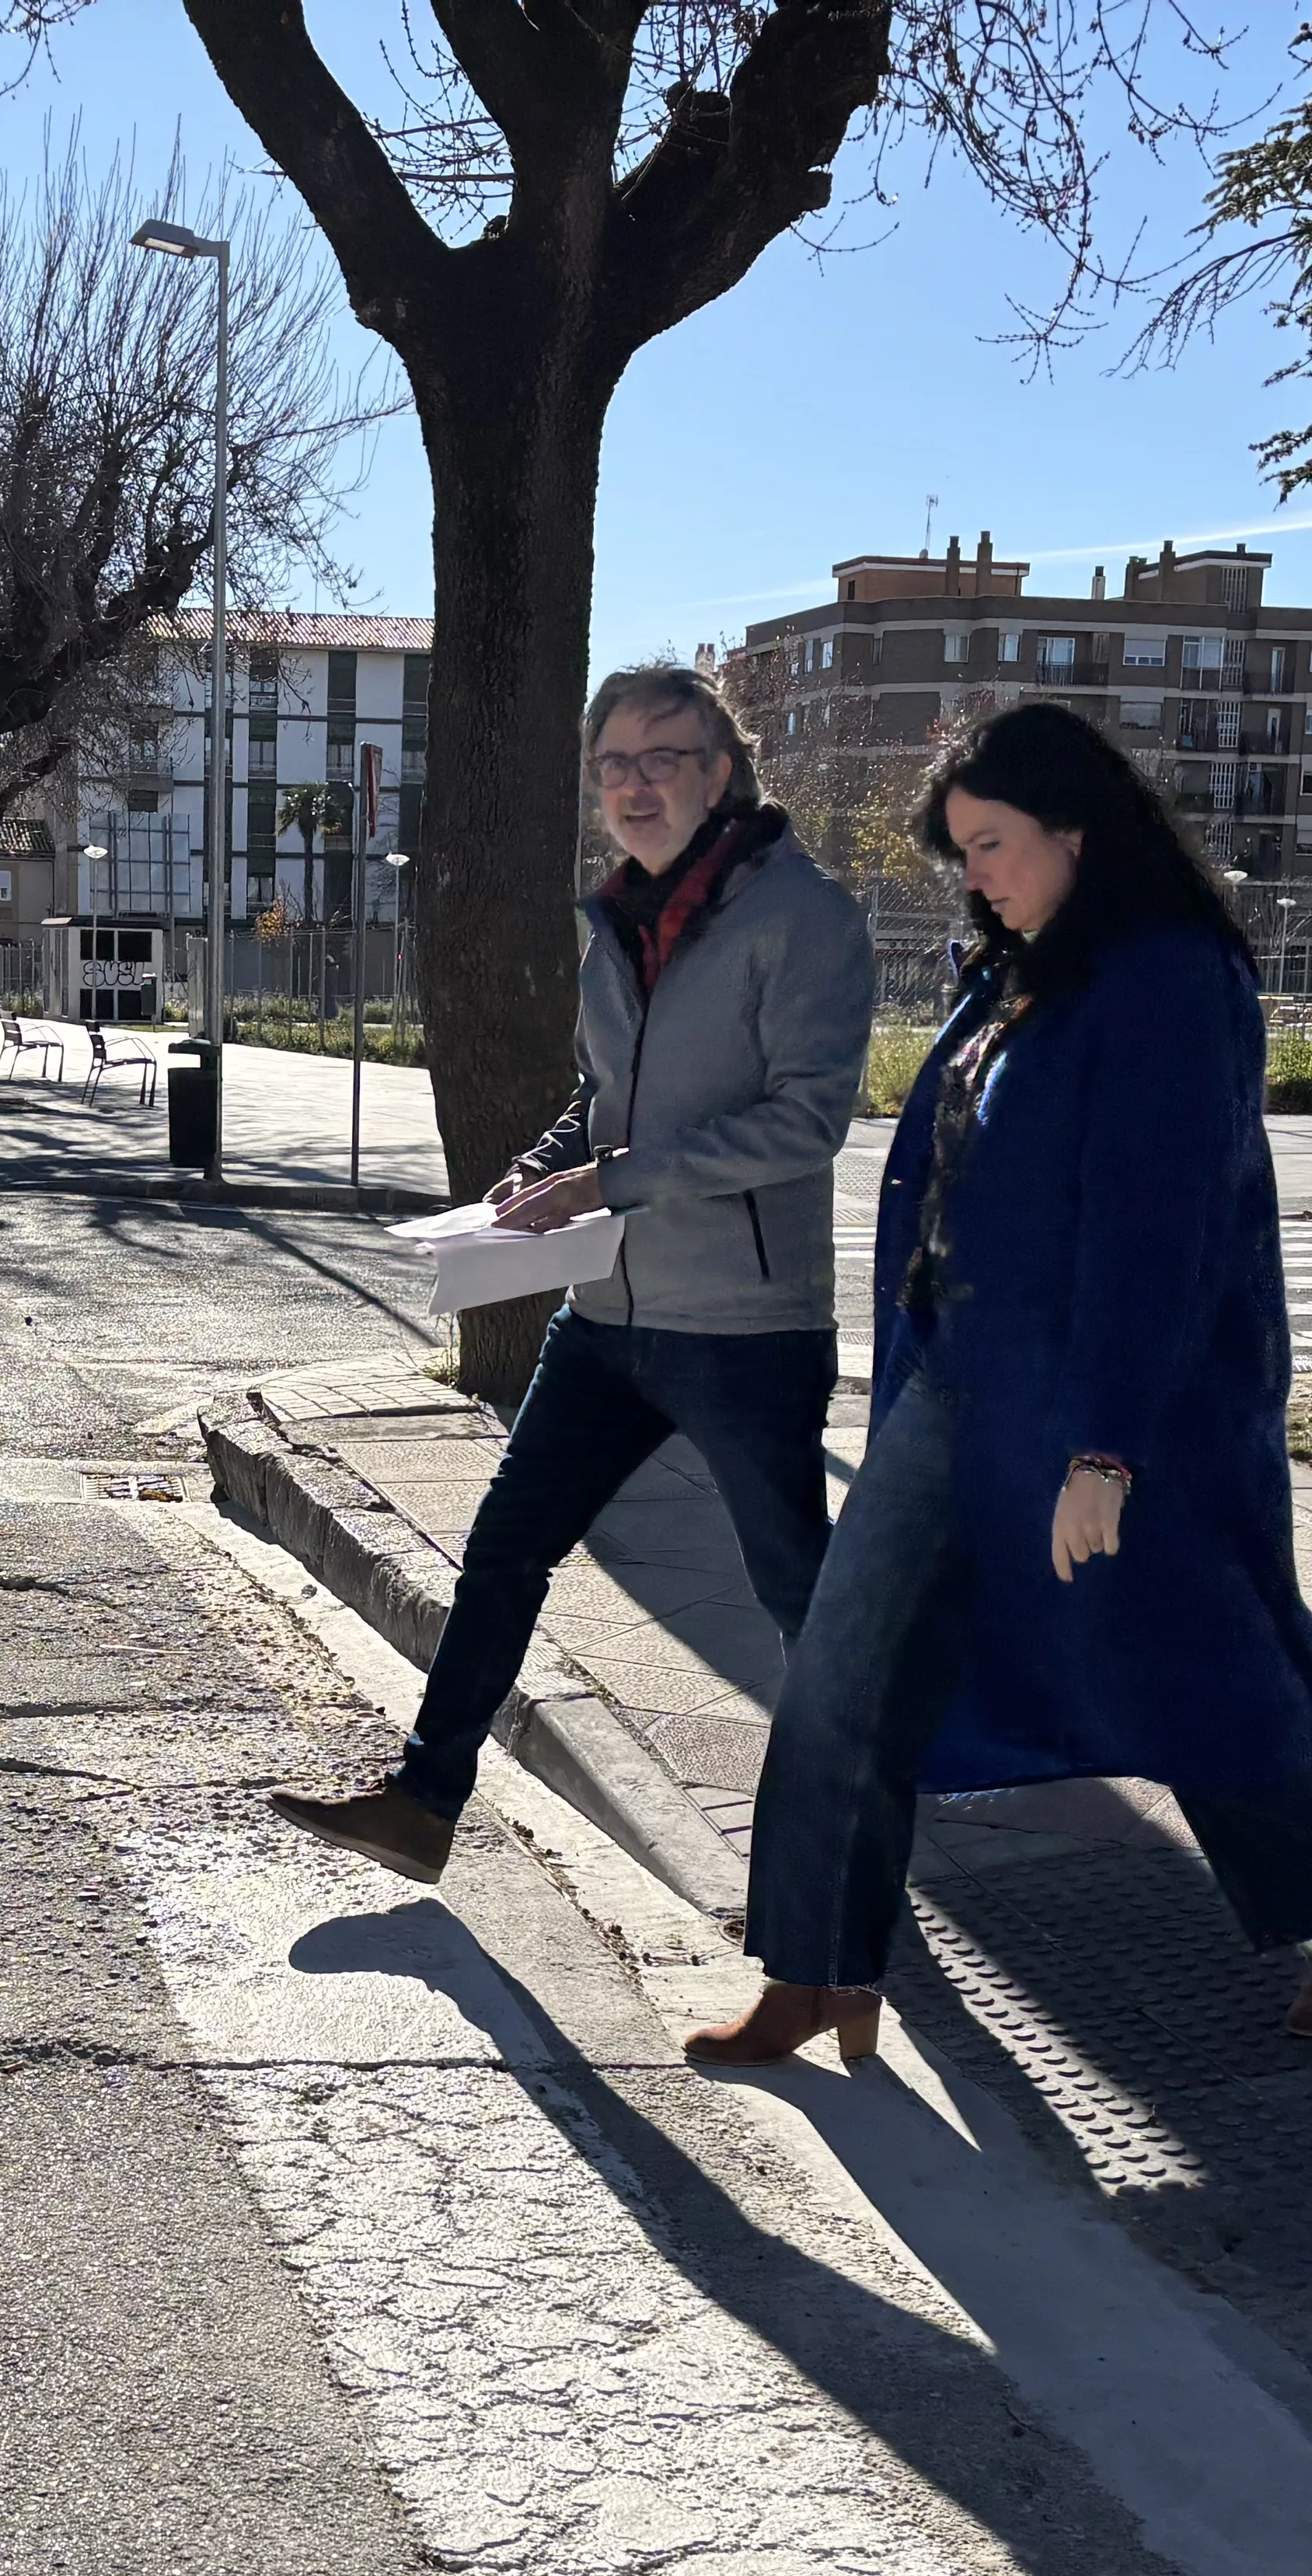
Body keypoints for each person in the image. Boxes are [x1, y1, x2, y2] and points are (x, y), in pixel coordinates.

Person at [688, 701, 1312, 2071]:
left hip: (1119, 1411)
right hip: (959, 1385)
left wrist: (1106, 1451)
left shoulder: (1166, 974)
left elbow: (1162, 1227)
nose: (975, 875)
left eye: (992, 844)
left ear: (1076, 831)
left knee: (1192, 1667)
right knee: (839, 1662)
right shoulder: (1017, 967)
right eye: (961, 852)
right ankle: (810, 1967)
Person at [269, 662, 874, 1883]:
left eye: (664, 759)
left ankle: (850, 1859)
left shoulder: (803, 916)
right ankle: (424, 1802)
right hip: (607, 1318)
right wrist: (536, 1168)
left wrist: (609, 1181)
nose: (636, 785)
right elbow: (605, 1098)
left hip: (745, 1325)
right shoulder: (619, 920)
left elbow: (806, 1124)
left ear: (722, 773)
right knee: (504, 1548)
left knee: (801, 1599)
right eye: (614, 766)